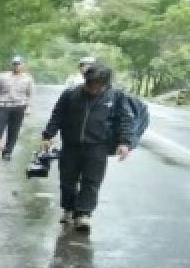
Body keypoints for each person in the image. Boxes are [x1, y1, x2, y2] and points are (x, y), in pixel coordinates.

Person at [40, 62, 133, 232]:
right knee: (67, 180)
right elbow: (57, 115)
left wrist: (124, 142)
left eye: (97, 86)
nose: (92, 89)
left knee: (91, 181)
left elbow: (125, 120)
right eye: (89, 84)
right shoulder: (70, 94)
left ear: (105, 84)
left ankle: (83, 214)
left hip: (98, 146)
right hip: (71, 144)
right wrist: (47, 135)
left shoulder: (116, 97)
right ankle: (68, 209)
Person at [0, 55, 34, 160]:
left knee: (13, 131)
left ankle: (7, 152)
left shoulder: (28, 79)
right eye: (15, 64)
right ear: (12, 65)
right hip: (4, 105)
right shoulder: (2, 76)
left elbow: (31, 94)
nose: (16, 66)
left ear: (23, 65)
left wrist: (29, 108)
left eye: (18, 64)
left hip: (19, 107)